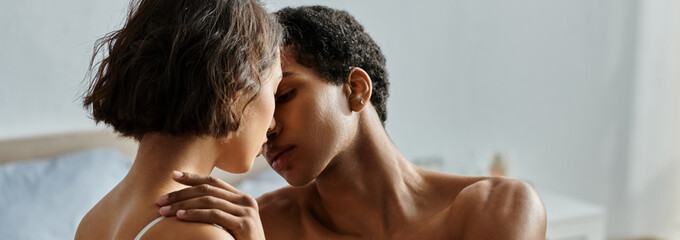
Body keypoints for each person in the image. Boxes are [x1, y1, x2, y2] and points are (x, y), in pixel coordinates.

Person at [158, 5, 547, 239]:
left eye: (285, 96)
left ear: (357, 89)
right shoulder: (262, 225)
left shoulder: (498, 209)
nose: (267, 129)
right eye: (255, 111)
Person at [74, 0, 283, 239]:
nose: (274, 123)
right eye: (276, 92)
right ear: (236, 86)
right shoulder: (203, 236)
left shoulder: (93, 221)